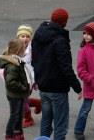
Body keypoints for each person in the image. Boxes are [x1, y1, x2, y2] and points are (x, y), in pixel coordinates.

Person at [32, 8, 82, 140]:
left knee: (46, 121)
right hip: (57, 88)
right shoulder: (60, 40)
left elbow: (34, 59)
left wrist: (37, 78)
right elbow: (66, 67)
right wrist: (78, 87)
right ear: (64, 22)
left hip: (43, 85)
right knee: (60, 124)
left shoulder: (39, 34)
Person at [0, 38, 32, 140]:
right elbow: (11, 82)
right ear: (18, 51)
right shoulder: (13, 65)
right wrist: (23, 87)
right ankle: (9, 135)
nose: (24, 51)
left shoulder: (17, 61)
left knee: (19, 114)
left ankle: (18, 133)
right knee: (15, 115)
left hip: (19, 94)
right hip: (15, 95)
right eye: (23, 49)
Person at [15, 24, 42, 128]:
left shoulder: (32, 49)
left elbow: (37, 62)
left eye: (27, 36)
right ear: (18, 37)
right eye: (22, 36)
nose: (25, 39)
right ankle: (37, 103)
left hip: (28, 79)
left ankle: (28, 118)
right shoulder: (14, 47)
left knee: (21, 100)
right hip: (17, 78)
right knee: (22, 99)